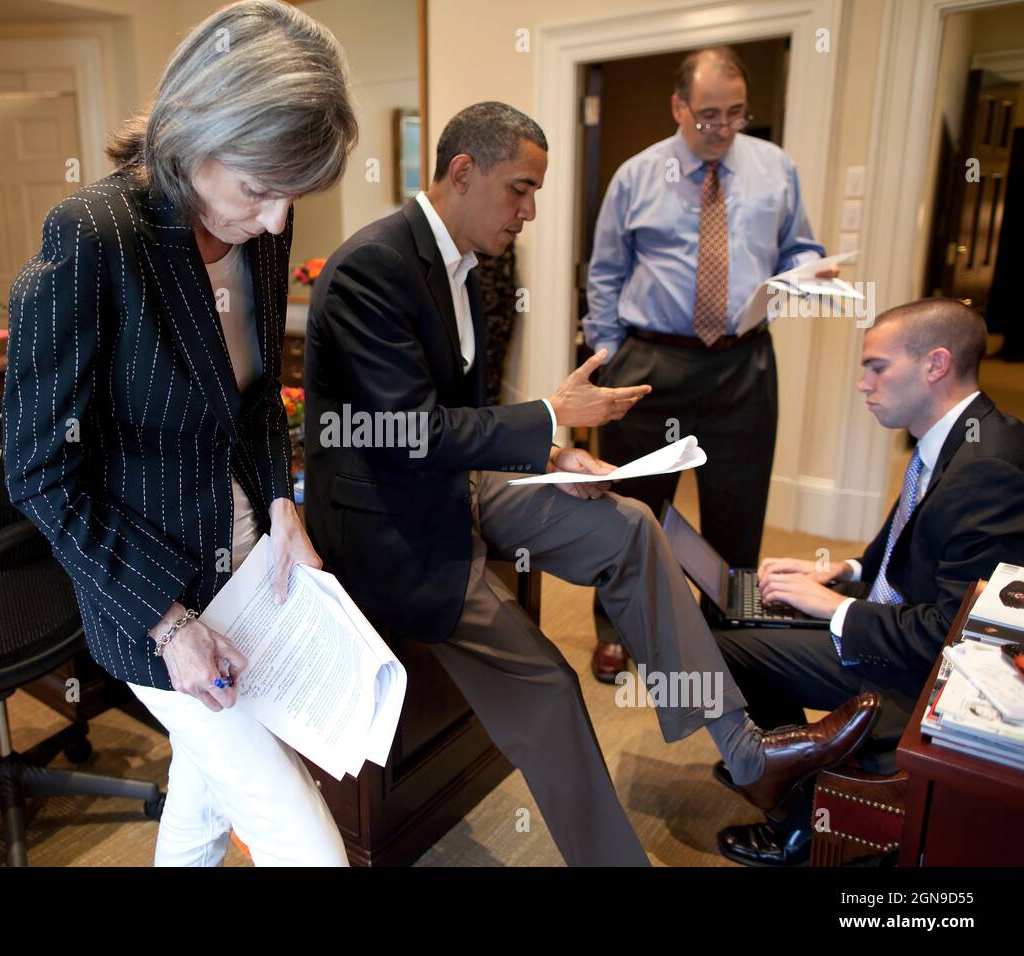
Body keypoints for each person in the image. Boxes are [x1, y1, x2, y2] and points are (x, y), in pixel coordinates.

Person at [303, 100, 881, 867]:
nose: (531, 211)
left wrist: (553, 457)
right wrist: (548, 417)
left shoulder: (469, 265)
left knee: (632, 525)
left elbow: (460, 420)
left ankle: (745, 750)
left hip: (456, 486)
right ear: (461, 172)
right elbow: (411, 435)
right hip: (390, 527)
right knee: (551, 685)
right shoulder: (368, 269)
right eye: (520, 188)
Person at [3, 0, 358, 867]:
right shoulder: (95, 237)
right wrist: (169, 625)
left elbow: (258, 394)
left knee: (201, 802)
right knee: (308, 846)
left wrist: (282, 500)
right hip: (148, 587)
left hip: (247, 564)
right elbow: (39, 472)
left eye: (292, 196)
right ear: (198, 134)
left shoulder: (256, 226)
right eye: (260, 191)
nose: (277, 221)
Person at [715, 298, 1024, 865]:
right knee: (734, 611)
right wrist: (843, 572)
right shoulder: (957, 439)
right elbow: (910, 549)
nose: (863, 383)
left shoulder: (987, 470)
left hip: (922, 671)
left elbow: (952, 637)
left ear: (935, 364)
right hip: (895, 622)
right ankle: (789, 761)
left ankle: (799, 813)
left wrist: (832, 606)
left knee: (723, 648)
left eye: (877, 367)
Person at [582, 46, 836, 681]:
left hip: (742, 363)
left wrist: (813, 266)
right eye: (708, 114)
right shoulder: (636, 176)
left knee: (738, 511)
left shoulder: (776, 169)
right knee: (630, 507)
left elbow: (797, 243)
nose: (722, 127)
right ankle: (618, 627)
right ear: (679, 106)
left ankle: (730, 638)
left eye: (736, 113)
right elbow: (606, 274)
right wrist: (610, 364)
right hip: (650, 363)